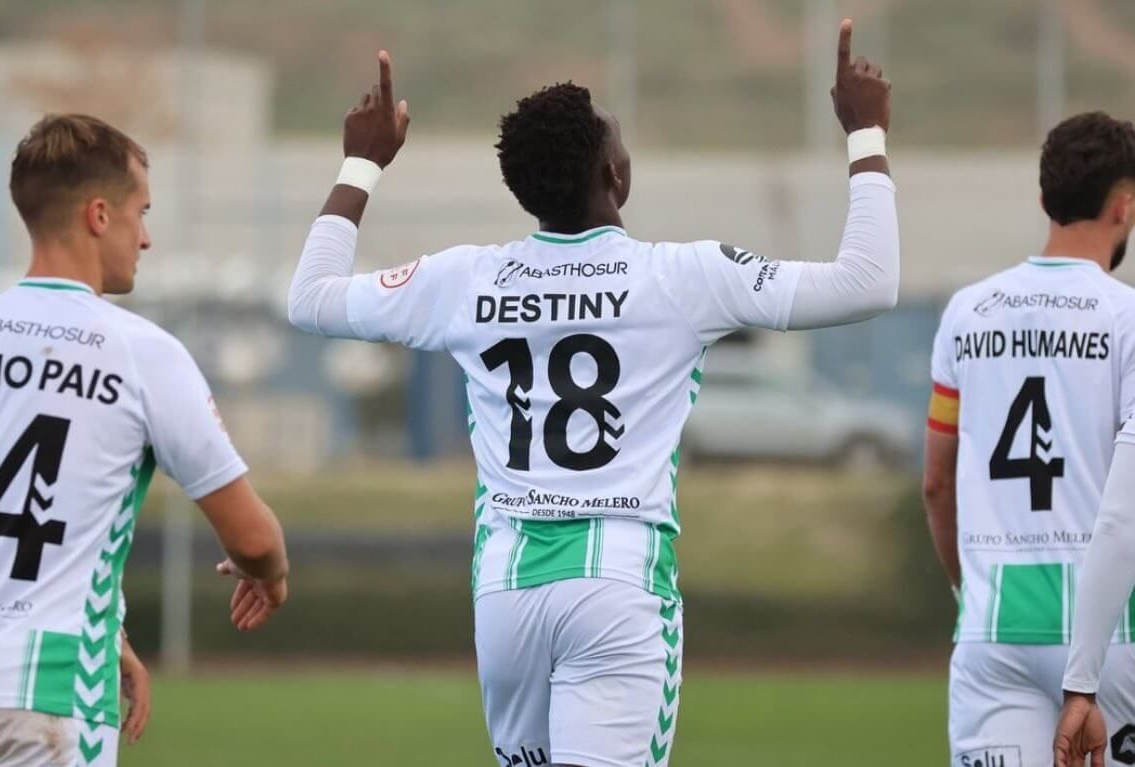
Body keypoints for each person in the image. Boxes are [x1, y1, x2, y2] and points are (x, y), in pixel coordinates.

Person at [288, 20, 895, 767]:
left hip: (507, 589)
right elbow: (869, 280)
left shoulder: (467, 278)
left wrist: (363, 161)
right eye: (620, 145)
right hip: (617, 584)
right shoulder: (681, 276)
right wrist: (865, 135)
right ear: (615, 176)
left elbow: (311, 298)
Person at [0, 113, 290, 766]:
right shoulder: (141, 352)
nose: (147, 237)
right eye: (141, 211)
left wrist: (107, 633)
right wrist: (271, 575)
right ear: (98, 215)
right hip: (46, 692)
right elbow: (252, 538)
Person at [922, 111, 1135, 767]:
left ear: (1044, 200)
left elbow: (936, 484)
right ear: (1124, 208)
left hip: (994, 629)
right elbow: (1124, 518)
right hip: (1110, 636)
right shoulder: (1127, 317)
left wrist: (971, 593)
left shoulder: (966, 311)